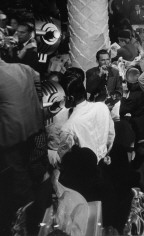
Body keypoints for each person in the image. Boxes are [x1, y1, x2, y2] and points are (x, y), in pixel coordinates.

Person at [0, 55, 48, 223]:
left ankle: (28, 219)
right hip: (32, 126)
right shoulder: (22, 68)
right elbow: (37, 76)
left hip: (12, 134)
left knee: (18, 176)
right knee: (29, 168)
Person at [56, 75, 115, 163]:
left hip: (83, 170)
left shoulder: (69, 127)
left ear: (70, 98)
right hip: (103, 163)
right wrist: (105, 155)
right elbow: (111, 135)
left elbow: (64, 159)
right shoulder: (102, 107)